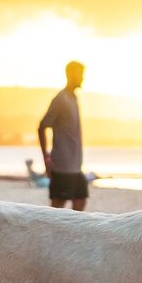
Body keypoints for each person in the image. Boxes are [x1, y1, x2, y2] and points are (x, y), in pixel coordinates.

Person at [39, 61, 89, 210]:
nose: (82, 78)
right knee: (57, 208)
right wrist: (46, 158)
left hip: (75, 166)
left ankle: (73, 233)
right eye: (80, 74)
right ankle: (50, 233)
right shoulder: (61, 99)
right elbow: (42, 126)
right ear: (70, 74)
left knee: (80, 200)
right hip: (62, 165)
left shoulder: (73, 97)